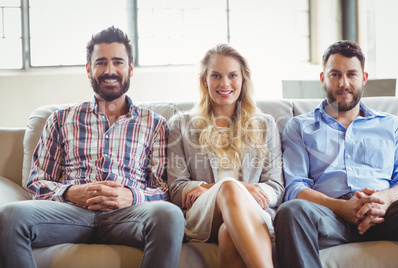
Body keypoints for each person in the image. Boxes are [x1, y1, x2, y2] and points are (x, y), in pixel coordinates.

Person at [0, 26, 185, 268]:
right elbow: (37, 181)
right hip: (70, 213)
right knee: (10, 216)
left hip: (129, 215)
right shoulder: (60, 119)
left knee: (170, 215)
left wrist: (130, 195)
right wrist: (71, 193)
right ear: (89, 69)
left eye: (118, 62)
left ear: (130, 68)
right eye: (101, 63)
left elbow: (163, 188)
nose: (110, 71)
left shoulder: (155, 124)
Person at [274, 40, 398, 268]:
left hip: (383, 214)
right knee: (290, 211)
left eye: (352, 74)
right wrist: (341, 207)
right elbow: (295, 187)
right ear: (323, 78)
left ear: (364, 78)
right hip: (329, 217)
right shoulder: (300, 127)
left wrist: (384, 200)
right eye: (335, 74)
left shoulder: (391, 124)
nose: (344, 83)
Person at [167, 44, 284, 267]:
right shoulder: (180, 126)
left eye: (232, 75)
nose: (225, 84)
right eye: (216, 76)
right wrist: (232, 187)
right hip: (202, 216)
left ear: (242, 80)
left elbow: (276, 186)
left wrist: (243, 191)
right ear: (205, 80)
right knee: (229, 187)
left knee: (228, 233)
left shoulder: (266, 125)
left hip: (253, 212)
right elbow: (176, 188)